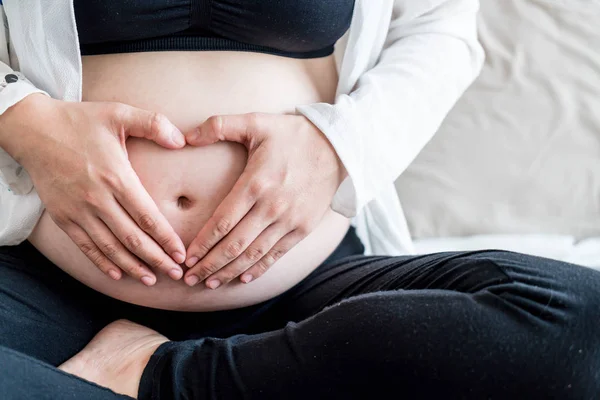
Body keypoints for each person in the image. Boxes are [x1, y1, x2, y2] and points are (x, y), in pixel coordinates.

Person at [0, 1, 598, 399]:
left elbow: (440, 30)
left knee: (579, 324)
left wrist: (336, 147)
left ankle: (160, 378)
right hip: (43, 278)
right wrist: (25, 121)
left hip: (310, 298)